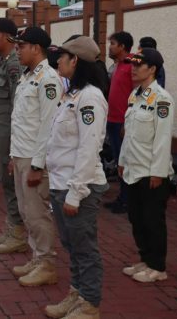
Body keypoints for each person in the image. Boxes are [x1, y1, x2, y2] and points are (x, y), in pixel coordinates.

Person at [44, 36, 108, 319]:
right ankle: (77, 293)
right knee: (72, 246)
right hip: (61, 183)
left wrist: (75, 192)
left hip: (78, 186)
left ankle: (90, 303)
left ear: (76, 61)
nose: (57, 60)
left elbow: (88, 147)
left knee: (84, 248)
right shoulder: (72, 94)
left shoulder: (91, 96)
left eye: (63, 56)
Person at [8, 27, 62, 287]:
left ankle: (47, 263)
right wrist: (13, 155)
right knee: (26, 211)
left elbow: (48, 125)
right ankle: (36, 256)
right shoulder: (27, 76)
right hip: (21, 153)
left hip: (34, 156)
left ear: (36, 48)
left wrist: (38, 165)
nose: (17, 50)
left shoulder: (48, 79)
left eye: (22, 46)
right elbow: (21, 120)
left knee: (38, 213)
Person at [118, 48, 174, 283]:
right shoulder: (135, 95)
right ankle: (145, 258)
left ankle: (157, 266)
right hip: (133, 169)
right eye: (132, 64)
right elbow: (129, 133)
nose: (133, 68)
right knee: (137, 218)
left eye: (139, 65)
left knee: (152, 221)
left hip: (151, 173)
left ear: (152, 69)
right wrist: (121, 161)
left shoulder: (162, 99)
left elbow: (163, 139)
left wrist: (158, 172)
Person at [0, 18, 27, 254]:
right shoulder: (2, 61)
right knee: (6, 181)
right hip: (1, 131)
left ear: (8, 37)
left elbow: (16, 103)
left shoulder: (13, 65)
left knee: (11, 182)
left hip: (10, 133)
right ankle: (12, 227)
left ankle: (18, 232)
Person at [105, 31, 135, 214]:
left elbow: (134, 95)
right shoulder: (117, 65)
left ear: (123, 46)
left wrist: (126, 122)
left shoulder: (131, 65)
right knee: (118, 161)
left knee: (125, 161)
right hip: (112, 120)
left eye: (113, 43)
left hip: (122, 122)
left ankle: (127, 200)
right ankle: (123, 197)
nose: (110, 47)